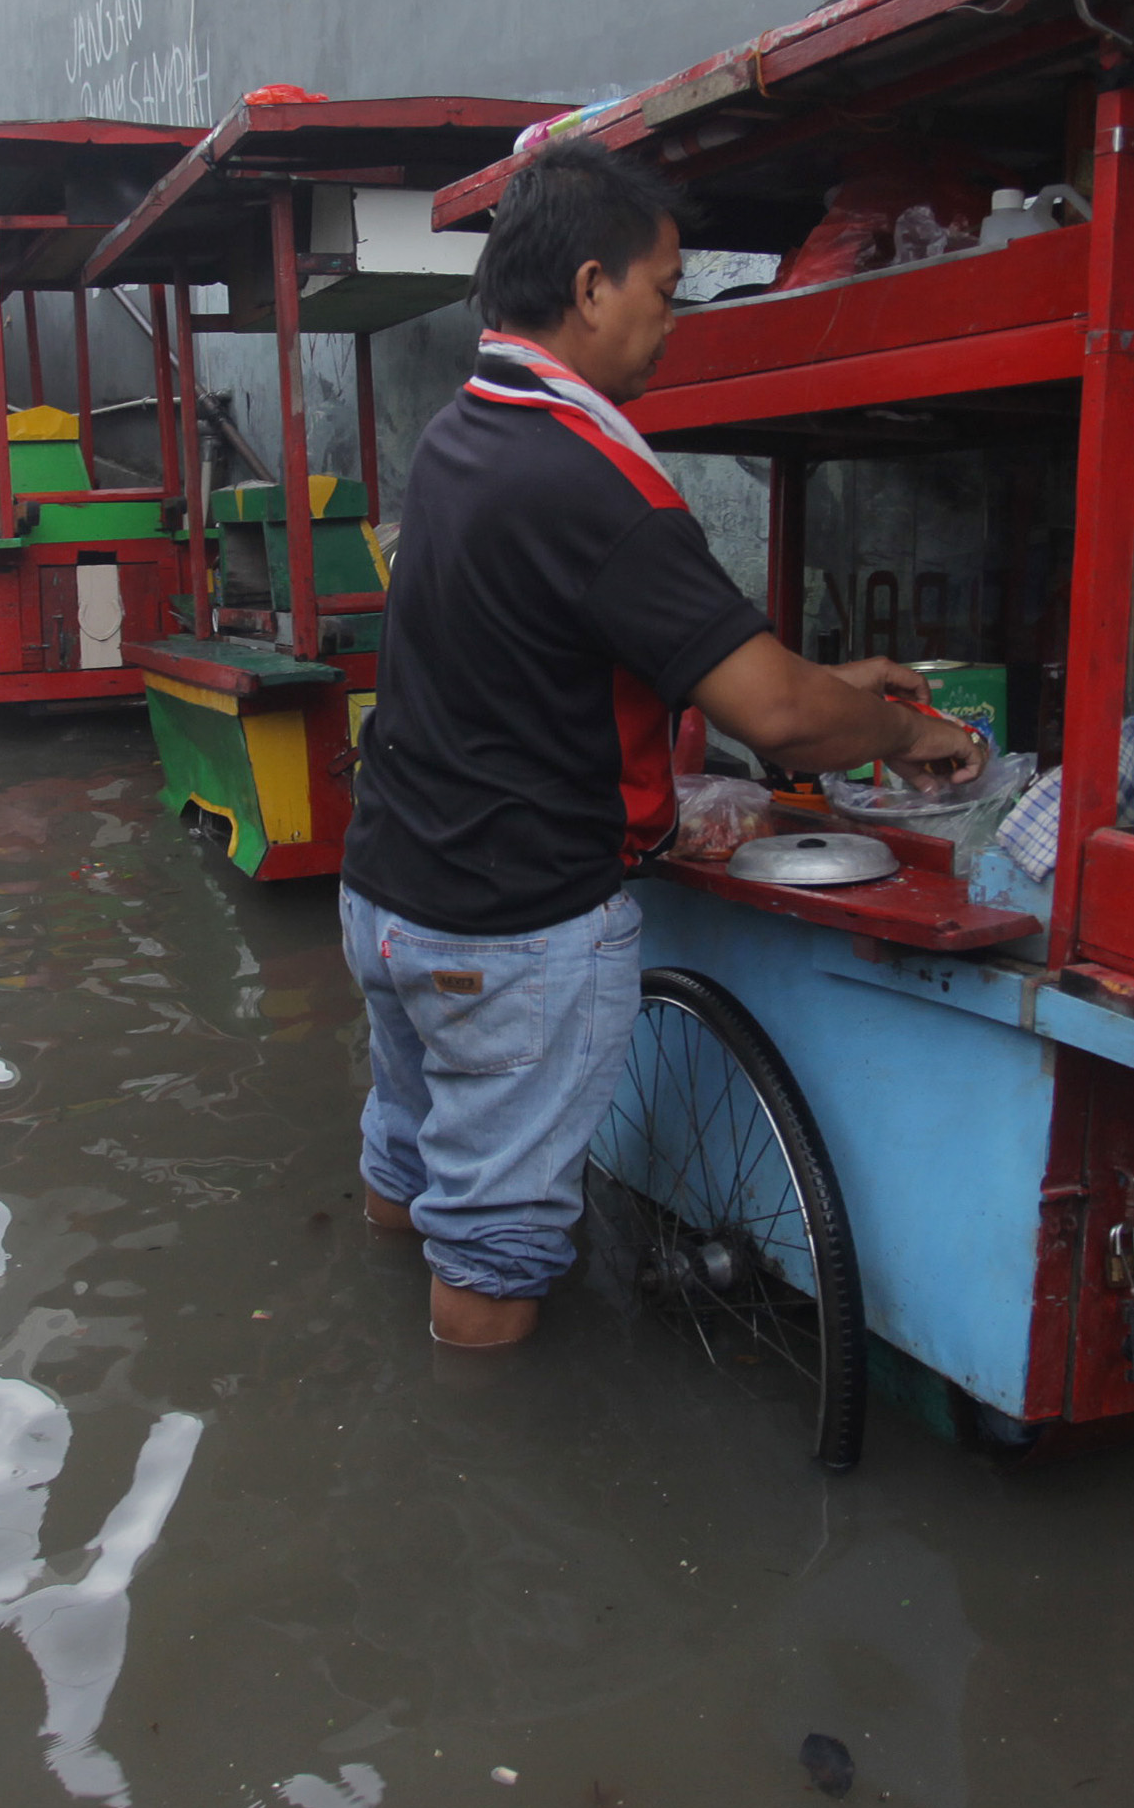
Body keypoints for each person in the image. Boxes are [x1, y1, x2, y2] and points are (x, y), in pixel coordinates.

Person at [338, 142, 977, 1349]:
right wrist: (901, 729)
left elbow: (560, 649)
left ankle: (379, 1373)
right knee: (492, 1249)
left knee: (408, 1159)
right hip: (507, 927)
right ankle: (463, 1478)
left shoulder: (460, 436)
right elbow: (775, 719)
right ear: (590, 287)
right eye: (665, 289)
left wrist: (827, 679)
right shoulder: (594, 481)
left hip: (387, 898)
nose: (670, 321)